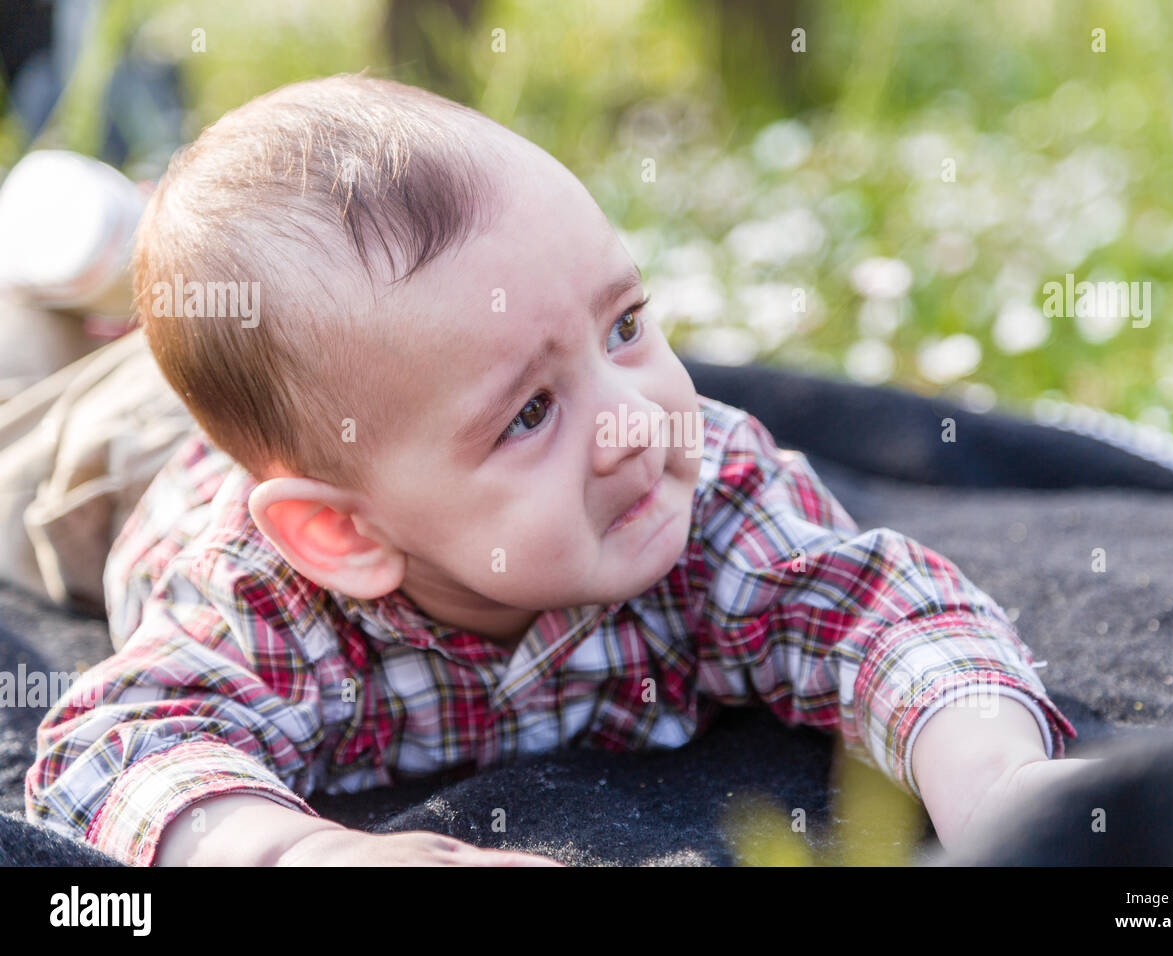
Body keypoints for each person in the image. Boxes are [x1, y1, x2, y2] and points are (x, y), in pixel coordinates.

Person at [25, 73, 1091, 867]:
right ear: (344, 535)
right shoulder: (260, 601)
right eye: (530, 411)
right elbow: (113, 751)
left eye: (624, 324)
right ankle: (74, 258)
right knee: (37, 403)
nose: (633, 422)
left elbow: (879, 614)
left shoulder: (701, 482)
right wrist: (301, 853)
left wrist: (1001, 781)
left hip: (344, 402)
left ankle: (124, 246)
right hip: (122, 451)